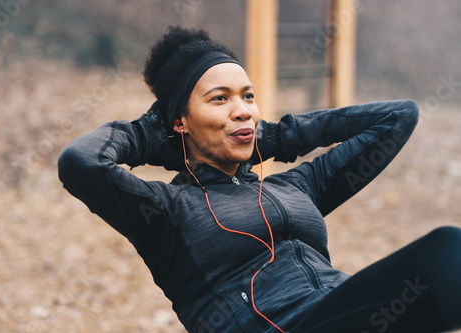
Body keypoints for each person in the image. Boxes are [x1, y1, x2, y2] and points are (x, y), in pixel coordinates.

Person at [58, 26, 461, 332]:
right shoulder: (165, 212)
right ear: (179, 121)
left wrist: (279, 136)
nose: (243, 110)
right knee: (445, 250)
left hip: (340, 309)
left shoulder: (298, 186)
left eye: (247, 96)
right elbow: (81, 163)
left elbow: (397, 117)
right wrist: (150, 137)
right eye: (220, 98)